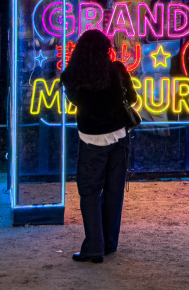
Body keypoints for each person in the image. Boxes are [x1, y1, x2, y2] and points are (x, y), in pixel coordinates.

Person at [60, 29, 137, 264]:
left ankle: (94, 247)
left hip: (91, 140)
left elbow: (75, 101)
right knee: (114, 192)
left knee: (90, 193)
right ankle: (109, 244)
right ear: (106, 49)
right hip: (118, 137)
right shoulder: (117, 70)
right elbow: (132, 99)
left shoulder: (72, 76)